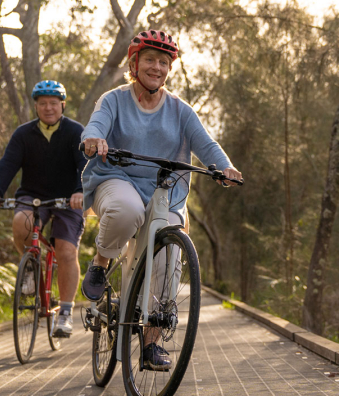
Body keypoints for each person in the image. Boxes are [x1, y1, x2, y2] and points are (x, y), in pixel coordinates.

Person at [79, 29, 242, 371]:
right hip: (116, 178)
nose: (157, 67)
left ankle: (151, 344)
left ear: (169, 69)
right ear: (134, 63)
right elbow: (96, 125)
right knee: (127, 210)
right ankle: (102, 261)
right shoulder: (114, 99)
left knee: (170, 252)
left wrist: (225, 166)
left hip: (164, 192)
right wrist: (94, 138)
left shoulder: (181, 110)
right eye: (150, 59)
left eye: (164, 62)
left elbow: (206, 145)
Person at [0, 80, 86, 338]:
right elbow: (8, 164)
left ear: (62, 105)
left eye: (53, 103)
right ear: (36, 106)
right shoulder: (23, 134)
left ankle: (64, 311)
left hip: (68, 199)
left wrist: (81, 190)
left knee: (65, 250)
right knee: (21, 223)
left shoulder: (75, 132)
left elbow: (86, 165)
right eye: (42, 104)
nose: (48, 108)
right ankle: (30, 266)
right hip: (33, 195)